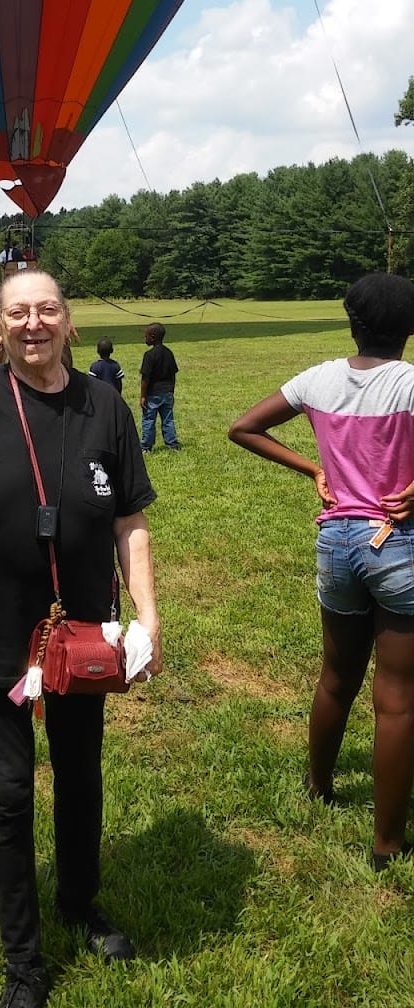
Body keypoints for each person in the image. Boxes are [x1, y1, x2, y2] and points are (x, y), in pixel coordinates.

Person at [0, 270, 162, 1007]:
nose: (33, 324)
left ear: (69, 321)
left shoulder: (104, 406)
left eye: (47, 310)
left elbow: (129, 521)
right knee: (8, 794)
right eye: (17, 313)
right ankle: (24, 964)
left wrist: (148, 615)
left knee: (81, 778)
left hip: (78, 635)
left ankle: (78, 903)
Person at [228, 272, 414, 871]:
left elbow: (243, 428)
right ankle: (387, 844)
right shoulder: (410, 384)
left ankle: (318, 785)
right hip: (400, 546)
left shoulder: (319, 379)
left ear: (351, 322)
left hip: (336, 541)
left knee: (337, 676)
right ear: (408, 329)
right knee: (398, 700)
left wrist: (312, 468)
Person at [139, 323, 179, 451]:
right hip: (167, 392)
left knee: (149, 420)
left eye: (145, 336)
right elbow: (173, 374)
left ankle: (145, 447)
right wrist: (171, 390)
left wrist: (143, 396)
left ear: (152, 337)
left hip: (152, 394)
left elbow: (145, 378)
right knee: (168, 420)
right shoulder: (169, 353)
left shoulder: (149, 355)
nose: (144, 338)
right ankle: (172, 444)